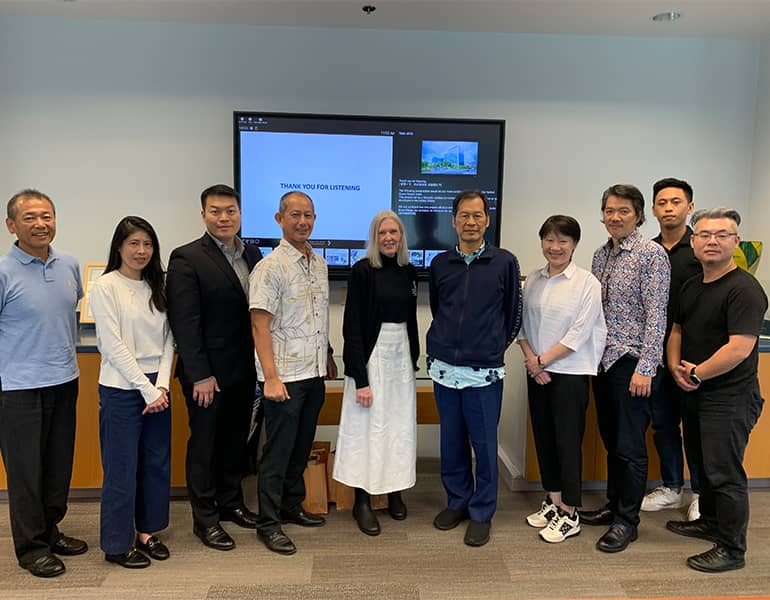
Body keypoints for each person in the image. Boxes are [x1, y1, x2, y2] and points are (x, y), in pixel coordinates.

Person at [665, 208, 767, 573]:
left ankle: (732, 548)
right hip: (694, 389)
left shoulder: (745, 289)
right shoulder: (692, 285)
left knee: (725, 472)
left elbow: (739, 347)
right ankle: (709, 521)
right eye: (705, 234)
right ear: (693, 242)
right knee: (703, 466)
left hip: (729, 397)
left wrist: (698, 373)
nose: (712, 240)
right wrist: (677, 368)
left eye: (722, 234)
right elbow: (676, 329)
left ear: (735, 242)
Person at [166, 184, 263, 551]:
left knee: (235, 443)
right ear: (204, 214)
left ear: (240, 213)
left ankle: (231, 503)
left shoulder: (252, 253)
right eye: (216, 211)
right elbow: (185, 323)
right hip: (206, 376)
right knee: (205, 445)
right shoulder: (187, 258)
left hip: (243, 371)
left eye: (230, 211)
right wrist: (200, 374)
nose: (224, 218)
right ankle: (204, 519)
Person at [0, 189, 88, 578]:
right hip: (17, 389)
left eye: (47, 216)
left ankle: (51, 531)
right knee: (26, 473)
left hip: (65, 380)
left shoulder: (69, 264)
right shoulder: (3, 272)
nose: (41, 224)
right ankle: (31, 547)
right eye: (31, 217)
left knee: (56, 468)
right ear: (11, 225)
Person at [427, 190, 522, 547]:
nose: (470, 222)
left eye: (477, 215)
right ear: (453, 221)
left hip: (484, 373)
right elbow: (439, 307)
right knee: (451, 443)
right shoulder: (440, 263)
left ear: (487, 220)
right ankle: (457, 502)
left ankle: (482, 512)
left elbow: (514, 313)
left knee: (483, 445)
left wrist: (493, 347)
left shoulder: (504, 262)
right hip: (444, 370)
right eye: (464, 216)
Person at [581, 184, 670, 553]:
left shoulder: (652, 255)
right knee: (611, 439)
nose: (615, 217)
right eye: (610, 210)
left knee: (630, 445)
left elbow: (657, 315)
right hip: (602, 360)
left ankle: (626, 521)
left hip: (633, 363)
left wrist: (647, 367)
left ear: (638, 216)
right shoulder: (601, 255)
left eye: (624, 211)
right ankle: (614, 505)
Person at [250, 191, 338, 555]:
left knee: (301, 448)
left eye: (309, 215)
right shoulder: (269, 267)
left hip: (313, 373)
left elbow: (317, 317)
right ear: (279, 218)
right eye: (295, 215)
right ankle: (268, 523)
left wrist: (328, 355)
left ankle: (291, 506)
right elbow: (259, 325)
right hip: (283, 378)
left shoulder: (318, 262)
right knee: (278, 453)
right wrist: (270, 377)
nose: (303, 221)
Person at [90, 217, 174, 569]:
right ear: (119, 247)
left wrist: (163, 385)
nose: (141, 251)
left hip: (158, 387)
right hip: (122, 388)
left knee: (155, 463)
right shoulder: (105, 286)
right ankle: (116, 543)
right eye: (134, 244)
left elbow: (171, 338)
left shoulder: (158, 285)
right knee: (122, 468)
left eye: (148, 244)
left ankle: (147, 532)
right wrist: (146, 388)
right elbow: (112, 345)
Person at [518, 215, 606, 543]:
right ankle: (554, 501)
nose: (555, 247)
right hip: (536, 371)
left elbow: (580, 333)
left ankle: (570, 512)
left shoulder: (587, 283)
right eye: (549, 240)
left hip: (569, 374)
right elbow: (522, 326)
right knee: (543, 438)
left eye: (563, 241)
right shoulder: (533, 281)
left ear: (574, 245)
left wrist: (541, 362)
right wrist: (532, 361)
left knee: (567, 443)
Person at [333, 210, 419, 536]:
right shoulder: (363, 271)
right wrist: (361, 379)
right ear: (374, 236)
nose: (388, 238)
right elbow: (352, 326)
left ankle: (395, 491)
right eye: (382, 233)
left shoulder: (409, 271)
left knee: (398, 427)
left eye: (393, 232)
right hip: (372, 358)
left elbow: (410, 322)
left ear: (401, 237)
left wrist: (413, 358)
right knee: (369, 429)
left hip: (401, 362)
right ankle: (363, 500)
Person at [642, 178, 702, 520]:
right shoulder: (648, 251)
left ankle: (700, 493)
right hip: (655, 354)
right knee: (662, 423)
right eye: (662, 203)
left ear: (689, 207)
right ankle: (672, 487)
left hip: (693, 356)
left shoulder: (700, 249)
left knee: (694, 426)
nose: (668, 208)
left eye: (675, 202)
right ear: (653, 210)